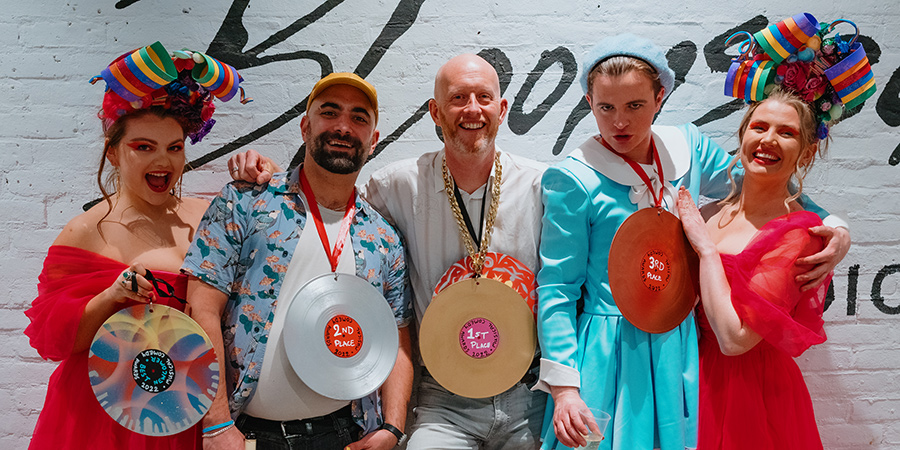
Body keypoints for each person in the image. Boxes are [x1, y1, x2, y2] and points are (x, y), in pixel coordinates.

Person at [534, 34, 850, 450]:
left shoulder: (688, 148)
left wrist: (832, 222)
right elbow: (557, 287)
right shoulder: (574, 178)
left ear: (660, 97)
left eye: (635, 106)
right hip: (610, 350)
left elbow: (760, 183)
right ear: (590, 102)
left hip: (679, 347)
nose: (620, 123)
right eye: (605, 107)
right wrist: (564, 389)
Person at [24, 42, 247, 449]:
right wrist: (111, 296)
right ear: (113, 153)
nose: (163, 161)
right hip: (99, 417)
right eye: (143, 147)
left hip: (182, 412)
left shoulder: (207, 217)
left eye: (174, 148)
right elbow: (51, 339)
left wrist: (260, 174)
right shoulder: (87, 230)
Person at [182, 72, 413, 450]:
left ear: (373, 140)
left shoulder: (383, 237)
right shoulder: (246, 202)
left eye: (359, 118)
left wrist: (393, 427)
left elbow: (398, 336)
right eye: (330, 112)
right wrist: (216, 424)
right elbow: (201, 309)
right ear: (306, 126)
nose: (343, 126)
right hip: (245, 435)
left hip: (344, 435)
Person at [360, 53, 548, 449]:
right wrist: (269, 173)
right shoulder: (394, 188)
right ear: (435, 111)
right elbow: (334, 207)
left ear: (502, 109)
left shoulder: (541, 186)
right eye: (459, 97)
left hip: (530, 389)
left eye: (483, 97)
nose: (472, 109)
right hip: (443, 397)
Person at [677, 88, 832, 449]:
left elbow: (735, 340)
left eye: (787, 132)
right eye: (759, 127)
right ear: (743, 135)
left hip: (752, 396)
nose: (768, 140)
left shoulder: (799, 234)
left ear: (806, 154)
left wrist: (705, 249)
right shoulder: (709, 214)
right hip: (691, 378)